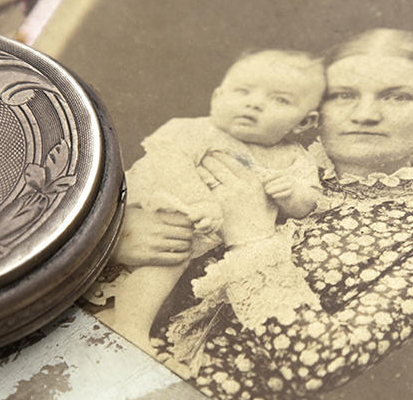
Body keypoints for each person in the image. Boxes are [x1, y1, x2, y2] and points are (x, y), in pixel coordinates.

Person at [98, 29, 413, 400]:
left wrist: (252, 237)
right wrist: (112, 239)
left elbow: (322, 362)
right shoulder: (239, 148)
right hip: (106, 378)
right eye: (344, 95)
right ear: (316, 109)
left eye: (398, 96)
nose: (365, 114)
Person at [101, 48, 325, 355]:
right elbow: (170, 163)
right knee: (168, 254)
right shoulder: (197, 130)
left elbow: (309, 203)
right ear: (218, 97)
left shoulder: (296, 159)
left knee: (173, 271)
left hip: (204, 237)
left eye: (279, 100)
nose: (254, 103)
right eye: (242, 91)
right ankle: (130, 327)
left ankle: (125, 320)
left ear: (304, 121)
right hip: (156, 209)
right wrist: (199, 201)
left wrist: (292, 195)